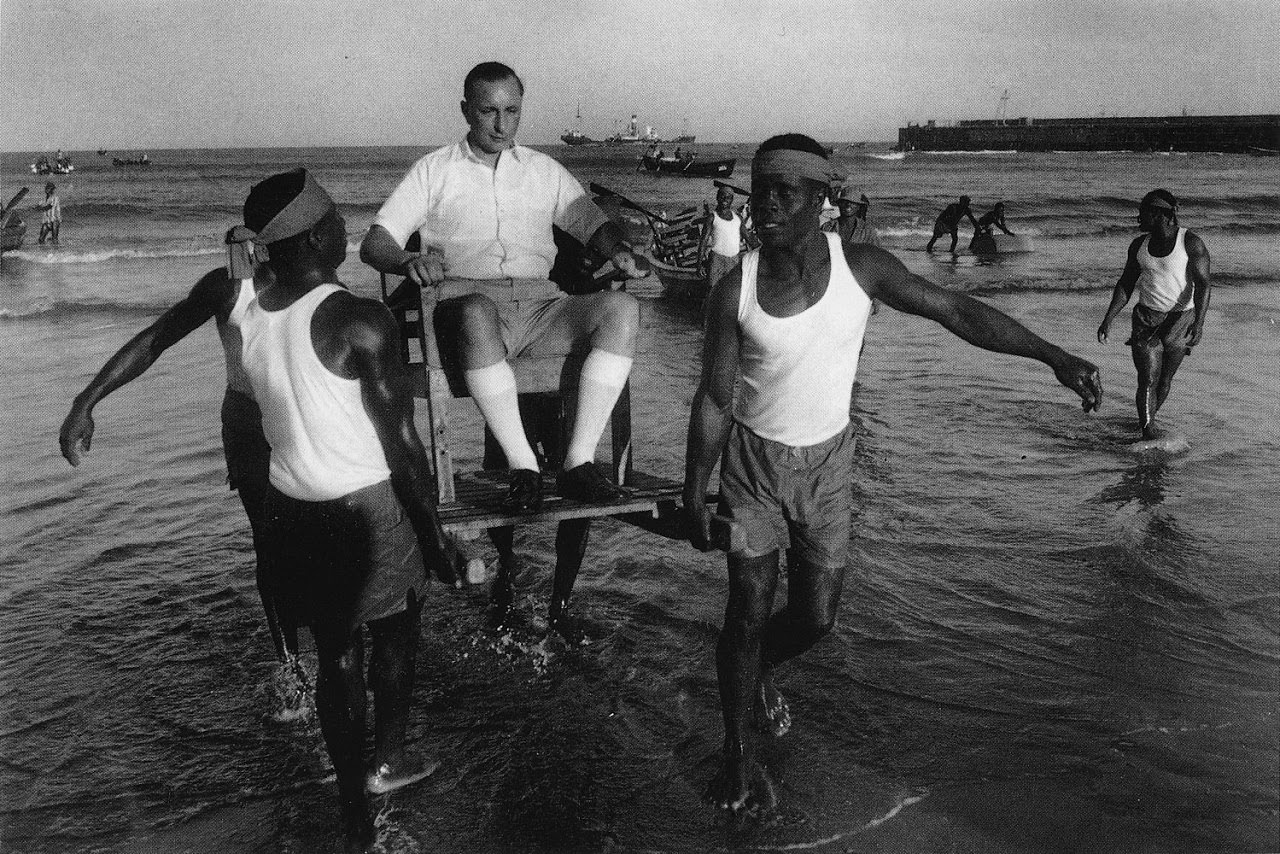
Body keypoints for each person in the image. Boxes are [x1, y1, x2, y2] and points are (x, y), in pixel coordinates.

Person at [683, 134, 1102, 816]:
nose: (765, 206)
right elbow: (713, 398)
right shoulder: (736, 289)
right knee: (748, 607)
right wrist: (691, 490)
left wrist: (1052, 356)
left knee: (816, 618)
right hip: (754, 466)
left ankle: (757, 671)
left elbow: (956, 311)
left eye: (783, 193)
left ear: (821, 200)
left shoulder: (864, 268)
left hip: (828, 464)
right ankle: (736, 754)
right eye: (760, 191)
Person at [234, 169, 451, 852]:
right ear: (320, 235)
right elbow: (404, 448)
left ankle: (354, 811)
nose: (344, 226)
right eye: (334, 219)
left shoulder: (248, 312)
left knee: (335, 658)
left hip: (293, 509)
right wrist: (438, 539)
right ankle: (388, 761)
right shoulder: (360, 318)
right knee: (393, 634)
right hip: (365, 508)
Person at [360, 62, 643, 515]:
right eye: (488, 111)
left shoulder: (543, 170)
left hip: (541, 306)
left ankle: (577, 463)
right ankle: (523, 466)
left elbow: (594, 225)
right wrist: (408, 259)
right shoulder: (433, 170)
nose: (501, 124)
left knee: (622, 309)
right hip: (465, 311)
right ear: (466, 111)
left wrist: (619, 250)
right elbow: (375, 244)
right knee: (474, 309)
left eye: (512, 111)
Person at [59, 255, 300, 666]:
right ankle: (291, 670)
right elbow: (158, 338)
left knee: (314, 538)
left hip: (303, 421)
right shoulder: (229, 287)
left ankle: (327, 655)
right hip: (248, 424)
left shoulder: (318, 280)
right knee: (271, 543)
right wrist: (87, 400)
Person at [1096, 189, 1211, 440]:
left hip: (1181, 320)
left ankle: (1145, 424)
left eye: (1143, 213)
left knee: (1164, 380)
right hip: (1146, 320)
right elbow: (1126, 283)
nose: (1138, 219)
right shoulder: (1139, 246)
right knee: (1147, 378)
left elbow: (1203, 284)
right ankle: (1147, 431)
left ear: (1159, 215)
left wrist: (1199, 323)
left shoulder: (1190, 243)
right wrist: (1109, 318)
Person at [698, 185, 749, 292]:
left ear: (732, 200)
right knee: (713, 292)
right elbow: (703, 241)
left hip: (733, 261)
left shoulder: (738, 218)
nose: (725, 200)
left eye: (728, 197)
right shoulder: (712, 217)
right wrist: (699, 264)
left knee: (731, 293)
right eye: (722, 196)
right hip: (716, 261)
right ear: (717, 197)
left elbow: (749, 238)